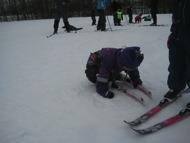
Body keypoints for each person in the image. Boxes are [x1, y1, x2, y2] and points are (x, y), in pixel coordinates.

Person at [163, 0, 190, 102]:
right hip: (177, 34)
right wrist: (172, 34)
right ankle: (175, 87)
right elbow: (176, 17)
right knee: (175, 63)